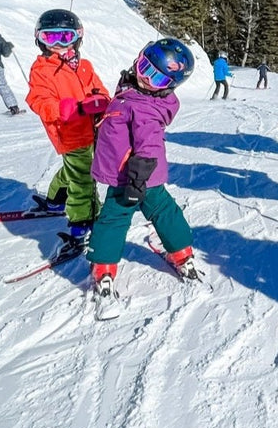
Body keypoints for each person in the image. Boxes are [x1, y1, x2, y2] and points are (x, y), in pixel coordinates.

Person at [86, 39, 200, 296]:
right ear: (138, 59)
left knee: (114, 217)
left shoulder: (145, 107)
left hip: (131, 176)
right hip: (147, 178)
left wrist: (136, 180)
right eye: (145, 68)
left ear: (167, 88)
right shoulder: (134, 90)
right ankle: (182, 252)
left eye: (157, 80)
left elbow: (149, 147)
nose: (146, 79)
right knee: (163, 209)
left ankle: (103, 266)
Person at [25, 9, 109, 255]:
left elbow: (101, 90)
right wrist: (71, 108)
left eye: (65, 37)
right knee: (83, 180)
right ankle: (81, 226)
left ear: (78, 37)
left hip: (92, 130)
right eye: (51, 39)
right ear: (40, 40)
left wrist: (101, 101)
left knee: (73, 170)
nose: (60, 45)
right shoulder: (41, 70)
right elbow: (39, 102)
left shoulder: (85, 66)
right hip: (69, 133)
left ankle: (54, 202)